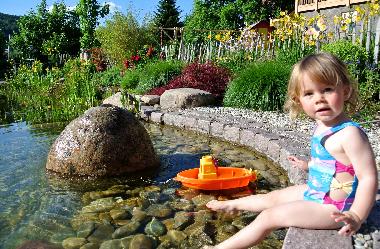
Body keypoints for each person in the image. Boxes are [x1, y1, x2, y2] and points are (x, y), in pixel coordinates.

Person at [203, 53, 378, 249]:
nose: (319, 99)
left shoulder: (350, 134)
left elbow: (368, 178)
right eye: (309, 93)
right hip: (318, 192)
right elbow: (334, 164)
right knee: (274, 197)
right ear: (299, 100)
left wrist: (356, 215)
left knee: (269, 217)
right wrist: (308, 165)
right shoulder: (323, 124)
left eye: (327, 90)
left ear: (345, 91)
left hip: (334, 208)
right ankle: (234, 205)